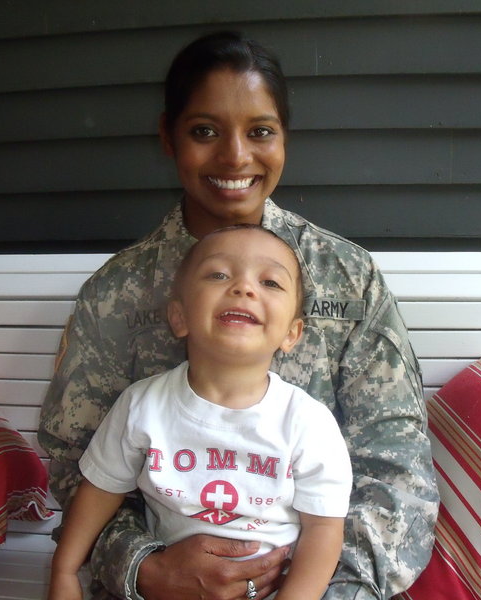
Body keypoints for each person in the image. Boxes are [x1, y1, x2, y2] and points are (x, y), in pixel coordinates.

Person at [39, 31, 439, 600]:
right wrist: (144, 568)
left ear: (284, 139)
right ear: (168, 137)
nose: (235, 156)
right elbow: (75, 465)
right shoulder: (115, 294)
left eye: (260, 131)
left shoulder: (348, 280)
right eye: (205, 131)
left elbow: (397, 475)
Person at [48, 225, 353, 600]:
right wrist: (64, 570)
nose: (244, 287)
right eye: (218, 275)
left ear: (292, 333)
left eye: (270, 282)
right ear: (179, 317)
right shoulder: (142, 405)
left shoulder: (309, 422)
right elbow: (99, 489)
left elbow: (324, 529)